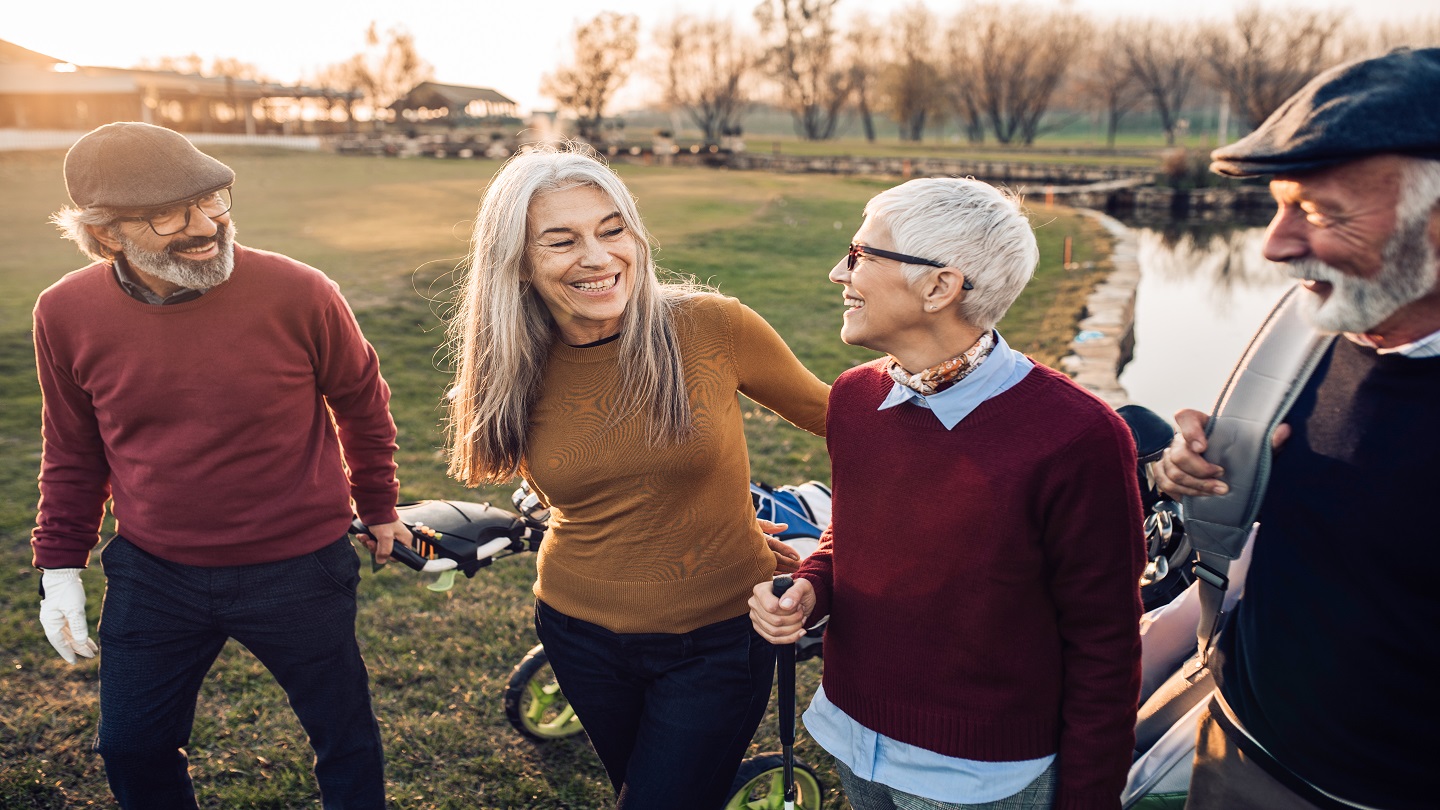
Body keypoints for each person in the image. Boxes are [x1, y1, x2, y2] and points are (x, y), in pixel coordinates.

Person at [32, 121, 411, 810]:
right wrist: (60, 566)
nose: (206, 223)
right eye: (169, 213)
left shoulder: (301, 291)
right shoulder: (63, 313)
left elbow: (362, 403)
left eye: (214, 198)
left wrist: (380, 506)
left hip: (300, 566)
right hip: (155, 573)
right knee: (130, 746)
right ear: (107, 232)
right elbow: (72, 447)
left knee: (343, 735)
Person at [444, 142, 829, 809]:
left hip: (720, 635)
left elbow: (842, 419)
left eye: (612, 229)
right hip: (577, 634)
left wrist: (959, 379)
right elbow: (593, 484)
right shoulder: (509, 360)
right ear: (518, 264)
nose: (597, 258)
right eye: (561, 241)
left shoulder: (711, 326)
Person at [750, 177, 1145, 810]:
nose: (836, 273)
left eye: (860, 256)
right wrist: (811, 587)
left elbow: (1105, 642)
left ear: (939, 286)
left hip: (980, 783)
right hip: (849, 734)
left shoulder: (1080, 437)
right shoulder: (854, 398)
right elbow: (847, 537)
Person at [1155, 48, 1440, 810]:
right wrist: (1215, 477)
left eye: (1316, 213)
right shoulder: (1316, 331)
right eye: (1280, 206)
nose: (1273, 245)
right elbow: (1278, 549)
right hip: (1231, 749)